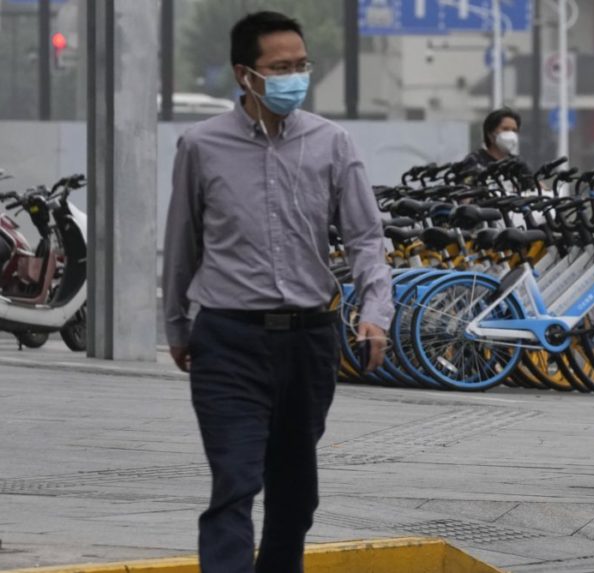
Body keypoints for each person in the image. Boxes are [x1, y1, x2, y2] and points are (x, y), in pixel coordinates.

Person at [162, 11, 393, 573]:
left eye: (301, 65)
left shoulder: (332, 143)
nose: (295, 77)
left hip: (308, 341)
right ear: (246, 74)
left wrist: (375, 310)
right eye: (280, 67)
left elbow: (366, 236)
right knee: (235, 483)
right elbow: (182, 242)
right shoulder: (201, 145)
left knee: (294, 494)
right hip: (227, 338)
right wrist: (176, 326)